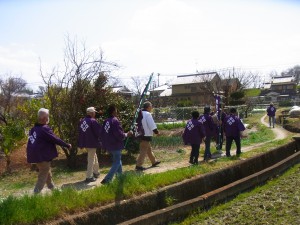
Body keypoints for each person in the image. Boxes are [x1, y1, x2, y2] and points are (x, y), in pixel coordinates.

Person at [26, 108, 71, 194]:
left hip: (35, 156)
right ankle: (35, 194)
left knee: (46, 171)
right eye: (47, 116)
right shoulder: (44, 129)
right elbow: (55, 139)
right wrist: (67, 145)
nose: (48, 118)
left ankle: (52, 187)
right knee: (43, 174)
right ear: (44, 118)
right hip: (42, 156)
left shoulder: (33, 129)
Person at [101, 105, 133, 184]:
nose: (117, 112)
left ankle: (120, 178)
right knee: (117, 162)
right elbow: (118, 134)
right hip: (115, 144)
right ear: (113, 111)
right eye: (116, 110)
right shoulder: (115, 120)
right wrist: (126, 134)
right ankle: (107, 179)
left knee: (118, 161)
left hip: (109, 145)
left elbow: (103, 133)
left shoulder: (106, 121)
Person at [78, 107, 102, 183]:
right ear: (91, 113)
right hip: (91, 142)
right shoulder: (92, 121)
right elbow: (98, 132)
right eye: (94, 112)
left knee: (94, 157)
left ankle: (96, 172)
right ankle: (89, 176)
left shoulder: (82, 121)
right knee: (91, 159)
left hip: (85, 142)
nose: (95, 113)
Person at [136, 101, 161, 171]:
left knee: (148, 149)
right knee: (143, 150)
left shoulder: (139, 113)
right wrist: (156, 132)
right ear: (148, 107)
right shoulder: (147, 114)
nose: (152, 107)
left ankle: (154, 161)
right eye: (151, 106)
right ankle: (138, 165)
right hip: (146, 134)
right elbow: (151, 124)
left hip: (140, 134)